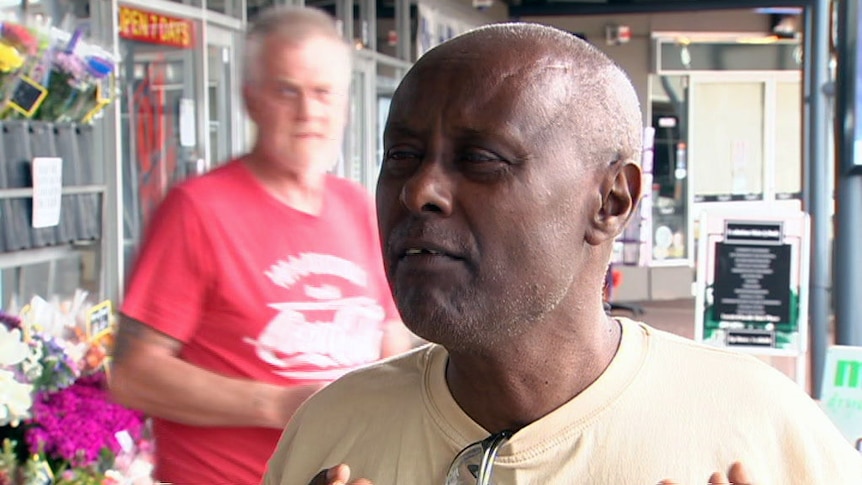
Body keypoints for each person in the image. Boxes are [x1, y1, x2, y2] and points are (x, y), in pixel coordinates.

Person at [262, 22, 862, 485]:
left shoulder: (761, 431)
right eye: (402, 157)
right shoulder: (330, 433)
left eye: (479, 159)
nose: (420, 191)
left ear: (611, 200)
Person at [108, 6, 411, 485]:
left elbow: (389, 343)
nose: (308, 112)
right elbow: (132, 374)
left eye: (323, 93)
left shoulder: (358, 206)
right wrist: (276, 403)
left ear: (346, 104)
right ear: (250, 100)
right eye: (286, 91)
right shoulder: (198, 210)